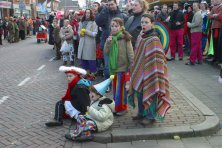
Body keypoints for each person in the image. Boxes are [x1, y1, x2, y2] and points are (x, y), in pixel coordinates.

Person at [128, 14, 170, 125]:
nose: (143, 24)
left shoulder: (154, 39)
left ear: (152, 23)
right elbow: (138, 53)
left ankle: (150, 116)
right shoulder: (141, 37)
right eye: (142, 22)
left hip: (152, 71)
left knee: (150, 90)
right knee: (139, 92)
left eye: (146, 22)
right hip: (141, 69)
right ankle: (141, 113)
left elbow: (158, 58)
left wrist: (151, 70)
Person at [65, 76, 115, 142]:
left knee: (87, 123)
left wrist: (90, 110)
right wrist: (86, 115)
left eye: (92, 93)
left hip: (102, 124)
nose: (90, 94)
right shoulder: (95, 100)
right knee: (80, 117)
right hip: (95, 120)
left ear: (98, 95)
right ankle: (86, 134)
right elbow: (91, 113)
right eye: (90, 92)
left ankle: (75, 135)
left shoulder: (103, 104)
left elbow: (102, 117)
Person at [104, 17, 134, 115]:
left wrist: (131, 66)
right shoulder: (110, 38)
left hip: (123, 68)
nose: (114, 28)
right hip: (113, 69)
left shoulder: (126, 39)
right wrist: (108, 43)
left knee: (121, 90)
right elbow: (106, 52)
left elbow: (130, 53)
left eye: (116, 26)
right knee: (115, 90)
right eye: (112, 26)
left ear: (121, 27)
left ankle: (123, 108)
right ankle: (117, 107)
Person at [95, 0, 128, 82]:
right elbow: (98, 21)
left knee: (118, 66)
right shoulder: (105, 14)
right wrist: (104, 10)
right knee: (107, 67)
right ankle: (108, 82)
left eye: (112, 4)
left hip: (120, 44)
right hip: (107, 44)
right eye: (108, 5)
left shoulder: (122, 15)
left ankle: (116, 83)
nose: (110, 6)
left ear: (116, 4)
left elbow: (126, 29)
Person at [78, 9, 98, 80]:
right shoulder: (81, 22)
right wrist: (80, 33)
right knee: (83, 59)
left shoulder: (93, 23)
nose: (87, 14)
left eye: (89, 13)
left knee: (91, 59)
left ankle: (92, 74)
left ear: (91, 14)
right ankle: (85, 73)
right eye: (86, 13)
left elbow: (95, 33)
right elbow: (78, 31)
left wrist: (86, 32)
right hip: (82, 43)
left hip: (90, 44)